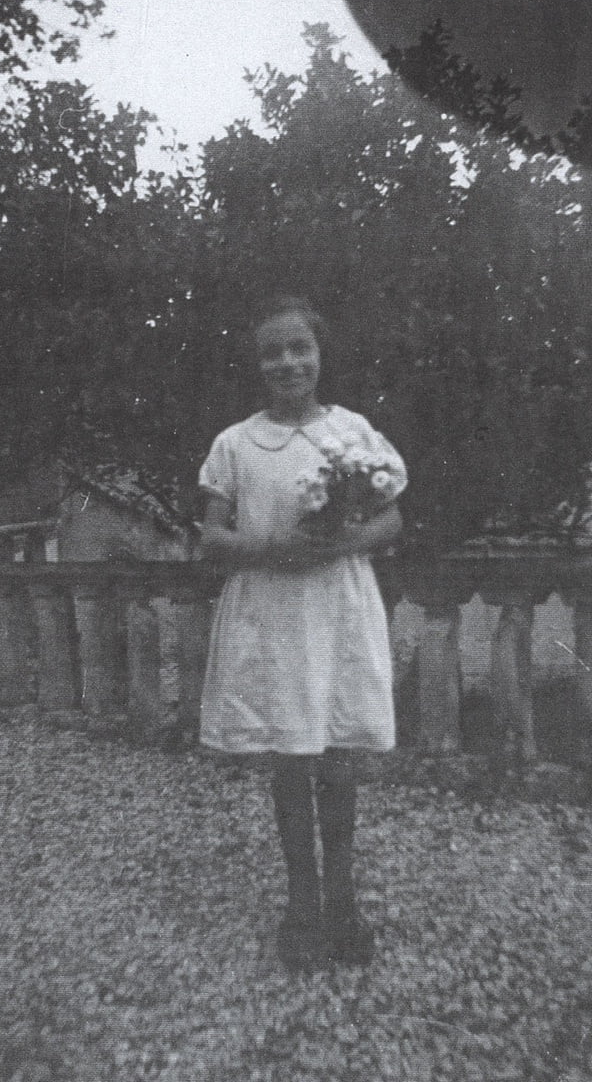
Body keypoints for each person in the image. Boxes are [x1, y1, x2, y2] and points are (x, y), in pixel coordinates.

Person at [198, 295, 407, 973]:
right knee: (291, 759)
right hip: (275, 613)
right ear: (258, 364)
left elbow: (390, 522)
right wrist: (269, 549)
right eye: (273, 352)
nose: (288, 362)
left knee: (340, 756)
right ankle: (303, 906)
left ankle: (345, 904)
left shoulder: (351, 432)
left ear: (320, 355)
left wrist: (342, 541)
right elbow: (213, 533)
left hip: (338, 607)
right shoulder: (236, 443)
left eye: (300, 348)